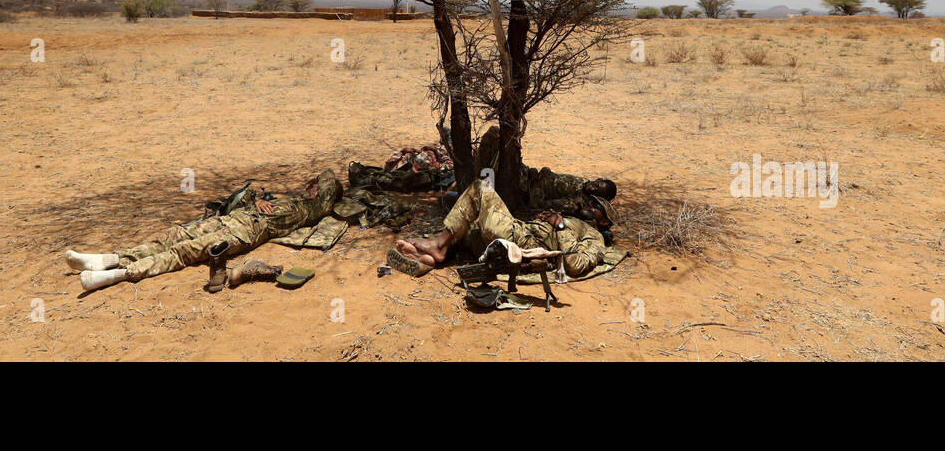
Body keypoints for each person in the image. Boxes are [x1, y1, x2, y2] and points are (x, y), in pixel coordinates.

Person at [65, 169, 342, 292]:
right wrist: (256, 200)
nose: (313, 189)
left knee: (182, 252)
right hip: (231, 219)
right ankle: (108, 258)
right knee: (172, 236)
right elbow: (243, 198)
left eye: (317, 189)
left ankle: (118, 274)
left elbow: (330, 178)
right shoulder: (289, 200)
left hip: (244, 233)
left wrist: (320, 178)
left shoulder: (314, 209)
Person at [393, 178, 606, 279]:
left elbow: (576, 265)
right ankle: (425, 259)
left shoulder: (595, 237)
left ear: (604, 222)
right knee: (468, 228)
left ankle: (438, 247)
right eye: (591, 202)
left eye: (597, 207)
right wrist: (543, 221)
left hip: (521, 246)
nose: (590, 205)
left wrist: (559, 226)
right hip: (517, 235)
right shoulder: (573, 220)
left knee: (480, 188)